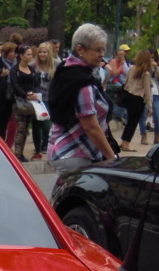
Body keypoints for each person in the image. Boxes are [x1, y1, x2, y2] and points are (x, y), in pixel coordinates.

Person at [46, 23, 117, 170]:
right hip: (76, 153)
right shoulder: (83, 83)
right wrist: (112, 158)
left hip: (60, 148)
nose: (102, 54)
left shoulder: (65, 69)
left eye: (103, 49)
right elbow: (90, 126)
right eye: (98, 50)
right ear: (80, 49)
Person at [118, 49, 156, 151]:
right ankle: (127, 144)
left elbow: (126, 83)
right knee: (133, 123)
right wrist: (150, 106)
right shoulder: (146, 73)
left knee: (129, 121)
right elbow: (147, 91)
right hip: (138, 99)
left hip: (129, 97)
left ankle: (123, 142)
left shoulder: (132, 69)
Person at [10, 44, 40, 161]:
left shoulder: (31, 69)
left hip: (30, 103)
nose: (30, 56)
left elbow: (36, 83)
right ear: (21, 56)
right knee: (21, 127)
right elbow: (15, 85)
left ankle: (21, 152)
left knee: (26, 127)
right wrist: (25, 94)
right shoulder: (15, 69)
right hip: (19, 102)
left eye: (31, 54)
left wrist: (35, 94)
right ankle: (17, 153)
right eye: (28, 54)